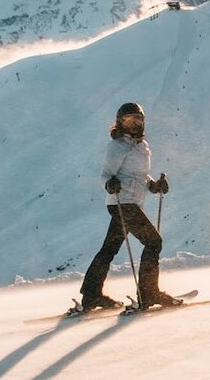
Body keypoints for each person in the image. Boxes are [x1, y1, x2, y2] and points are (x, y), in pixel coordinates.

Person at [73, 102, 181, 313]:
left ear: (143, 122)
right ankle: (149, 293)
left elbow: (139, 175)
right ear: (120, 124)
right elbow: (106, 173)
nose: (133, 124)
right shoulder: (117, 146)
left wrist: (153, 185)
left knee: (109, 250)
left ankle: (91, 295)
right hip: (123, 203)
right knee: (153, 242)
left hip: (131, 203)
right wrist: (109, 183)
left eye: (137, 120)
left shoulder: (142, 146)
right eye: (128, 121)